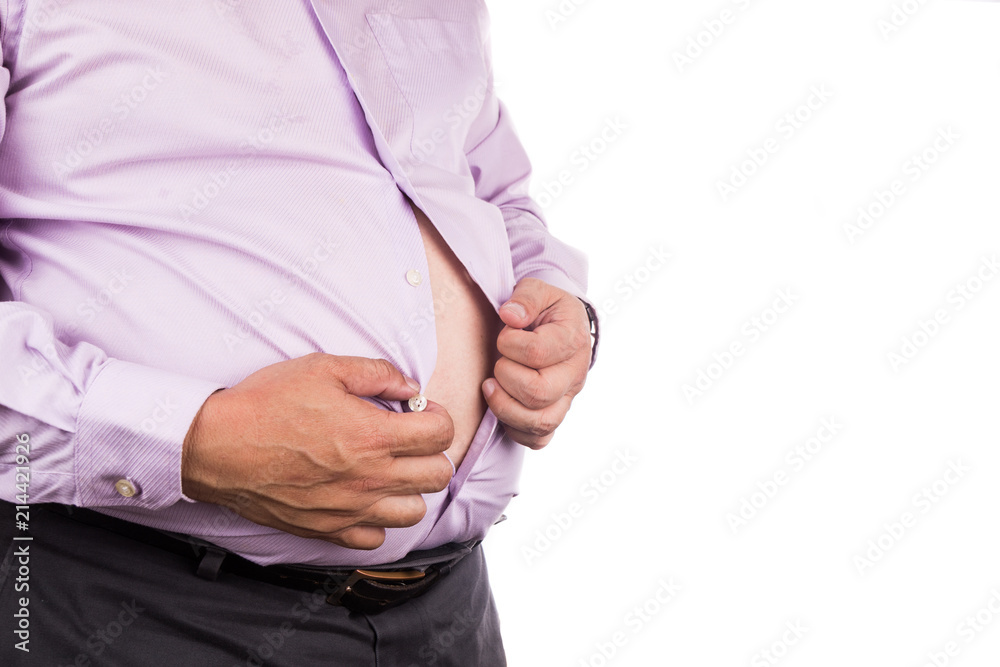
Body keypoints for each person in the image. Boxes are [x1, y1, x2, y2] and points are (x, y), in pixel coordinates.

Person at [0, 1, 599, 664]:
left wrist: (556, 303)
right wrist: (195, 442)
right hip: (143, 607)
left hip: (452, 610)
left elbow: (487, 184)